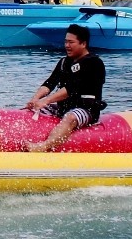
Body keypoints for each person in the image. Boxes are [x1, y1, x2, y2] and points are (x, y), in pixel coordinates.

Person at [25, 25, 107, 153]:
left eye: (71, 42)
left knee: (70, 117)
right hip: (63, 107)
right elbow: (50, 83)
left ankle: (43, 147)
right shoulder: (64, 62)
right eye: (65, 41)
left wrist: (46, 101)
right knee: (32, 109)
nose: (67, 45)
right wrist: (35, 99)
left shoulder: (94, 63)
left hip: (86, 110)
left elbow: (73, 88)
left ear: (83, 43)